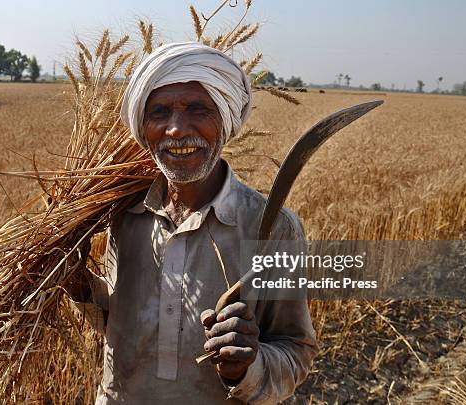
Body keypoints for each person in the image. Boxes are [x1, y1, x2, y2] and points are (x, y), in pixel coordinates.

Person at [65, 42, 318, 404]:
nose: (176, 130)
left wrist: (246, 366)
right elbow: (116, 321)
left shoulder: (272, 227)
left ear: (226, 120)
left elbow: (295, 352)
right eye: (159, 112)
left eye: (198, 109)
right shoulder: (123, 214)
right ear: (143, 126)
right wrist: (77, 282)